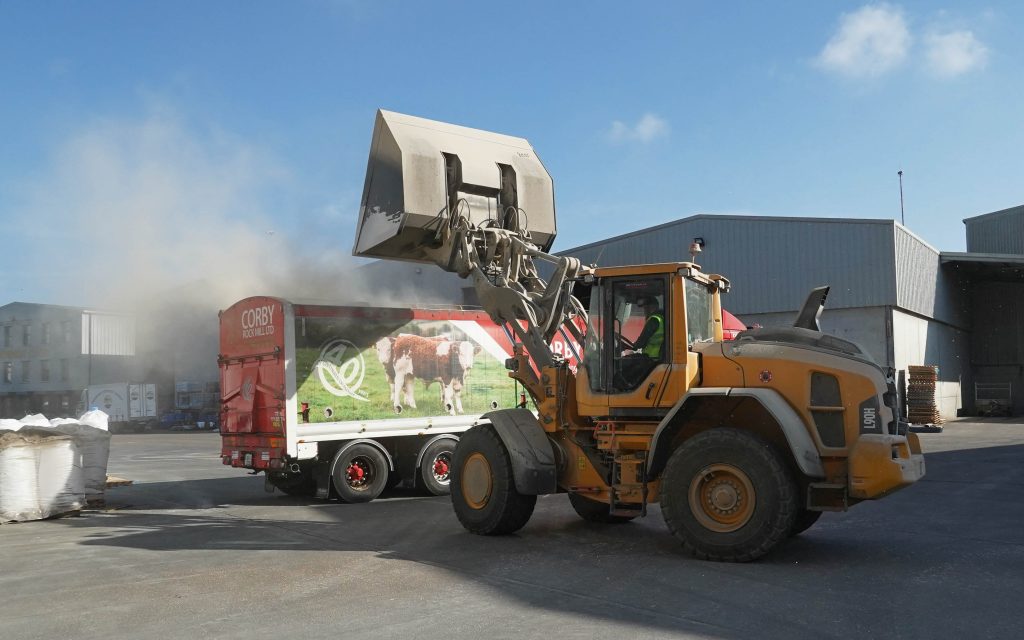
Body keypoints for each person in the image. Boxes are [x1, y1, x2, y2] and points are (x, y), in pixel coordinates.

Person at [631, 296, 664, 360]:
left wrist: (634, 346)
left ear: (653, 307)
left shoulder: (654, 320)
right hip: (659, 357)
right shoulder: (662, 318)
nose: (645, 311)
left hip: (652, 358)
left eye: (646, 308)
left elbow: (641, 342)